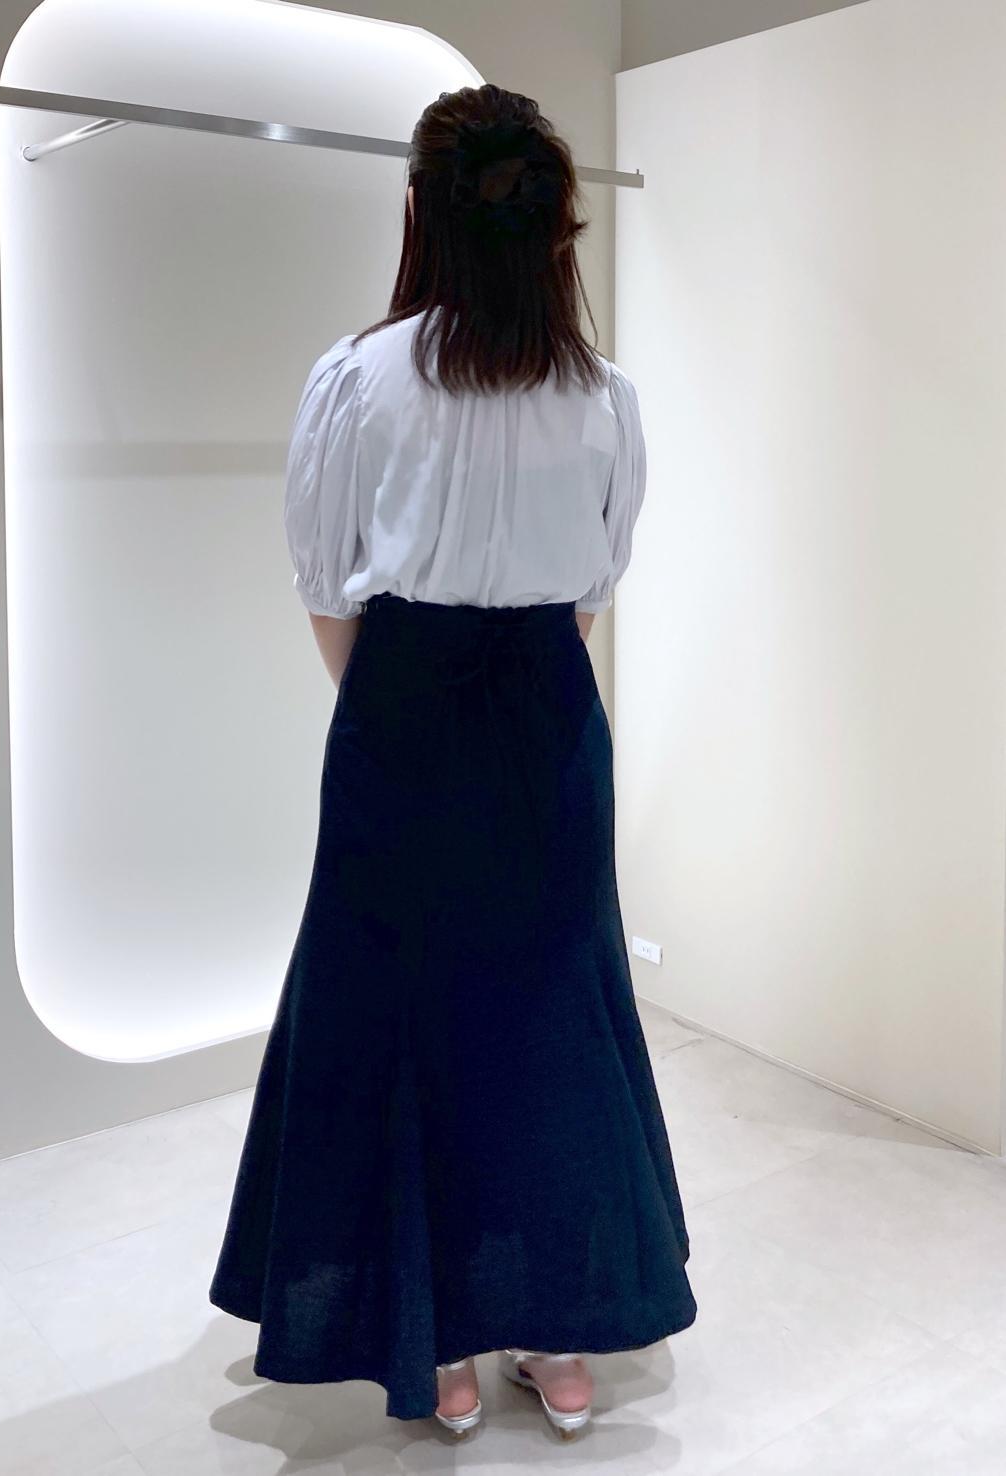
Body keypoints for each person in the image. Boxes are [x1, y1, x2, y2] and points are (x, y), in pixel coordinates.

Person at [208, 81, 697, 1442]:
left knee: (417, 1017)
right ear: (554, 228)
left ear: (421, 212)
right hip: (542, 715)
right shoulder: (603, 397)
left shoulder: (358, 378)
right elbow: (592, 589)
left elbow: (327, 588)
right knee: (545, 1015)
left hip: (408, 714)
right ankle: (551, 1328)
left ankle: (450, 1338)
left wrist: (395, 717)